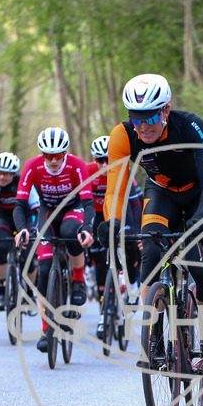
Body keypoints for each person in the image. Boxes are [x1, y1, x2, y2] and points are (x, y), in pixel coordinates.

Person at [98, 73, 203, 378]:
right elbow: (115, 188)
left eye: (150, 117)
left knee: (200, 265)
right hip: (161, 192)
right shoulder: (123, 134)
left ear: (166, 111)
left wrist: (198, 221)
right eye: (136, 118)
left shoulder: (191, 126)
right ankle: (153, 335)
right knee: (152, 253)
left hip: (201, 195)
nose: (143, 126)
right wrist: (113, 222)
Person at [13, 127, 95, 353]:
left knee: (71, 232)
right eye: (48, 156)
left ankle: (78, 278)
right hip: (48, 211)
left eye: (58, 156)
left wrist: (87, 227)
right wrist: (22, 229)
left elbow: (88, 203)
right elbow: (20, 205)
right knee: (44, 269)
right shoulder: (32, 166)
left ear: (65, 153)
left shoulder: (77, 165)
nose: (53, 161)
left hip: (73, 208)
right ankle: (45, 330)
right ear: (42, 154)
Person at [87, 135, 143, 339]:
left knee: (130, 243)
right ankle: (104, 310)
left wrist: (137, 233)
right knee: (100, 260)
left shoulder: (124, 173)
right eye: (98, 160)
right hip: (97, 215)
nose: (103, 164)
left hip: (123, 212)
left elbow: (136, 205)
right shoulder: (87, 172)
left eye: (107, 160)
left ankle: (133, 286)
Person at [0, 151, 32, 311]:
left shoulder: (23, 181)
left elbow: (36, 209)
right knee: (1, 248)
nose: (2, 177)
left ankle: (29, 294)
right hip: (4, 218)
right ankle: (2, 293)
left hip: (24, 217)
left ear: (13, 174)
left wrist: (34, 229)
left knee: (28, 254)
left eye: (7, 174)